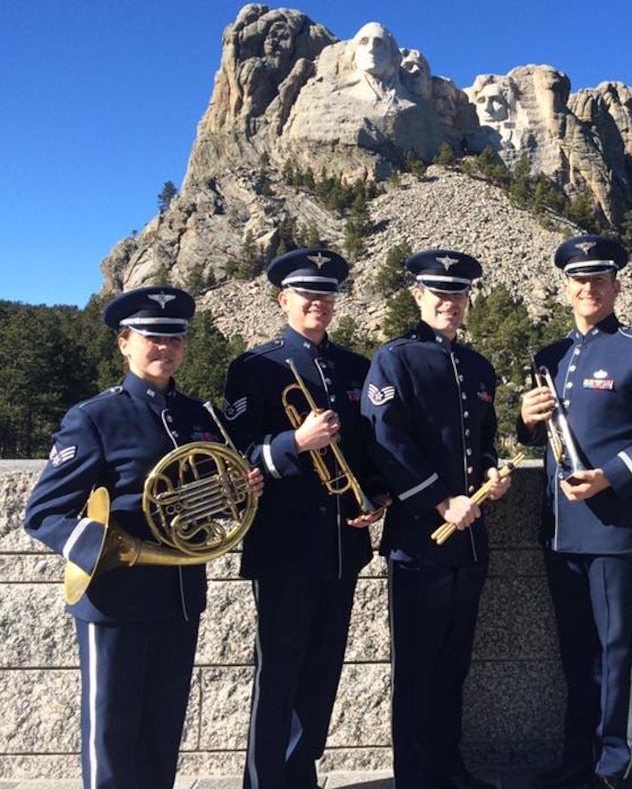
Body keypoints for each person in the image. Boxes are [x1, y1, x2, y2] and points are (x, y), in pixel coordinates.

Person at [24, 286, 263, 789]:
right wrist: (108, 552)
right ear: (124, 344)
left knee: (161, 729)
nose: (165, 348)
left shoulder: (199, 416)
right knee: (111, 732)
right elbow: (43, 514)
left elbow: (203, 499)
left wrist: (237, 491)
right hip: (115, 598)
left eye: (175, 338)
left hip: (179, 596)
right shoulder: (94, 417)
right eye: (152, 337)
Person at [517, 234, 632, 789]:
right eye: (578, 280)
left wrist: (609, 476)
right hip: (560, 532)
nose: (588, 288)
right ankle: (576, 760)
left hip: (613, 528)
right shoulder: (547, 357)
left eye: (599, 280)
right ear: (566, 287)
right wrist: (524, 417)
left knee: (615, 651)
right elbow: (539, 440)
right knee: (576, 653)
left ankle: (614, 765)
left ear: (616, 285)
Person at [223, 248, 387, 789]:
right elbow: (236, 454)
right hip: (285, 545)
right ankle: (265, 781)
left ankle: (301, 776)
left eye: (327, 293)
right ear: (283, 299)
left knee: (321, 675)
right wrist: (296, 441)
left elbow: (368, 449)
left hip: (342, 545)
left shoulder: (355, 368)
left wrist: (376, 496)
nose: (318, 302)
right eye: (306, 294)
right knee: (278, 674)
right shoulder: (256, 366)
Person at [361, 248, 513, 789]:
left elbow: (484, 439)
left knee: (453, 666)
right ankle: (417, 778)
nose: (450, 302)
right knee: (419, 670)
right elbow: (386, 439)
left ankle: (450, 770)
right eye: (439, 293)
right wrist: (442, 501)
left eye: (459, 293)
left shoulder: (476, 366)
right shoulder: (395, 358)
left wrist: (494, 474)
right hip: (420, 541)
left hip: (469, 543)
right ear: (418, 296)